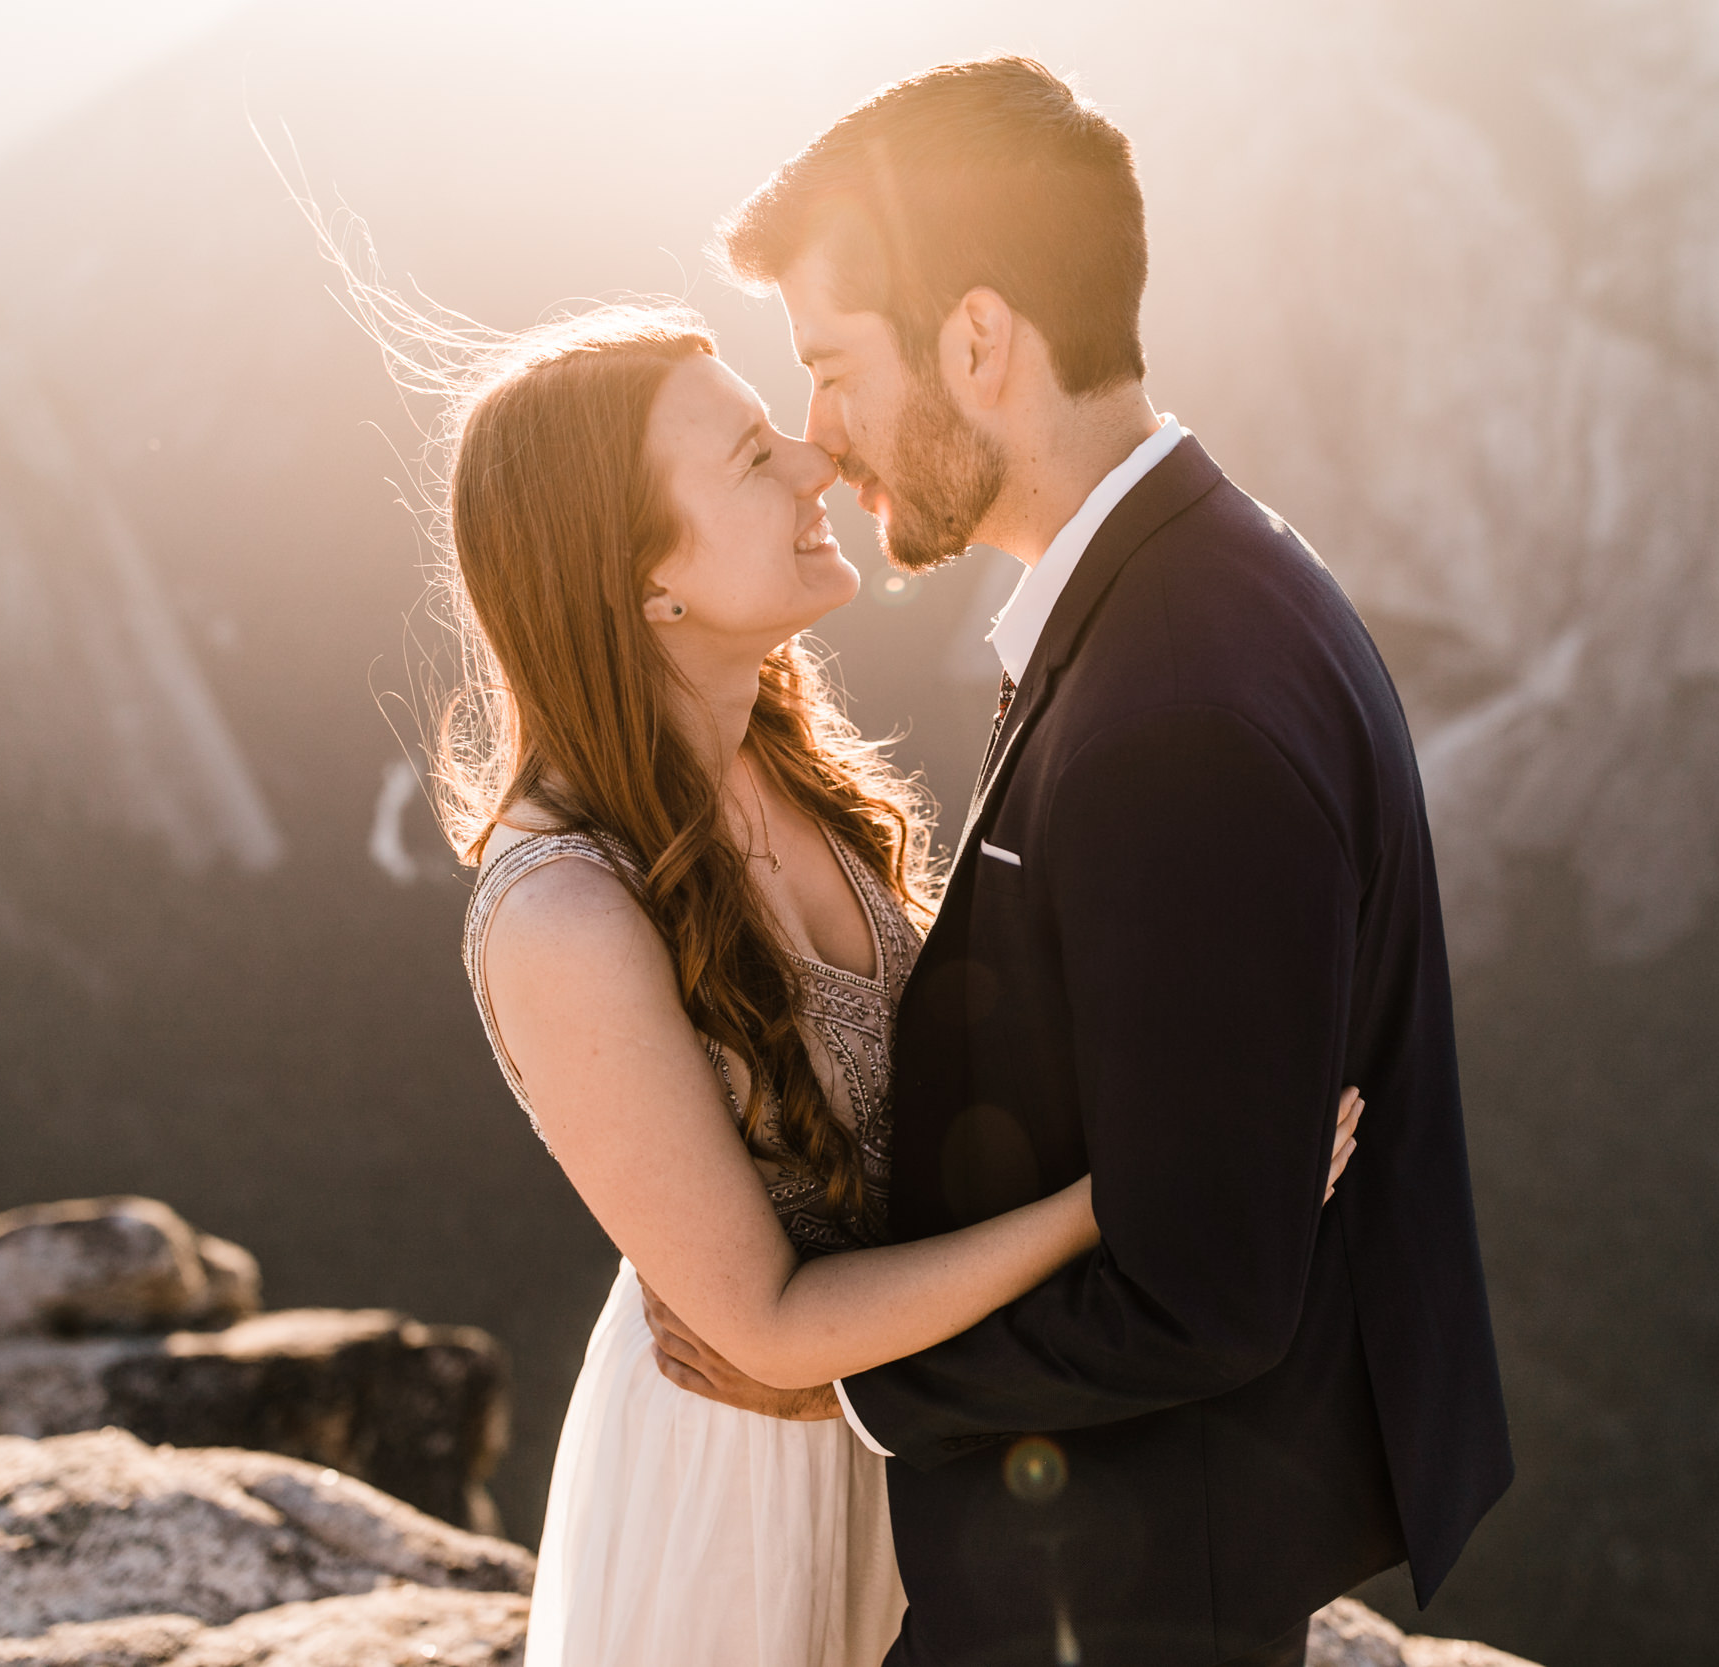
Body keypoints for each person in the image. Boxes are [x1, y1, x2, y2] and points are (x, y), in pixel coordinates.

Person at [639, 57, 1513, 1667]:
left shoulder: (1179, 704)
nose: (819, 442)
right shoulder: (1192, 582)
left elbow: (1205, 1297)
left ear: (979, 341)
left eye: (832, 365)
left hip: (1119, 1592)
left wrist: (835, 1379)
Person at [444, 305, 1363, 1666]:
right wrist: (1124, 1207)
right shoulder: (564, 912)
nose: (817, 464)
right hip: (750, 1502)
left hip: (928, 1433)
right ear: (646, 583)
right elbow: (762, 1328)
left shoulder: (783, 752)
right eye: (754, 460)